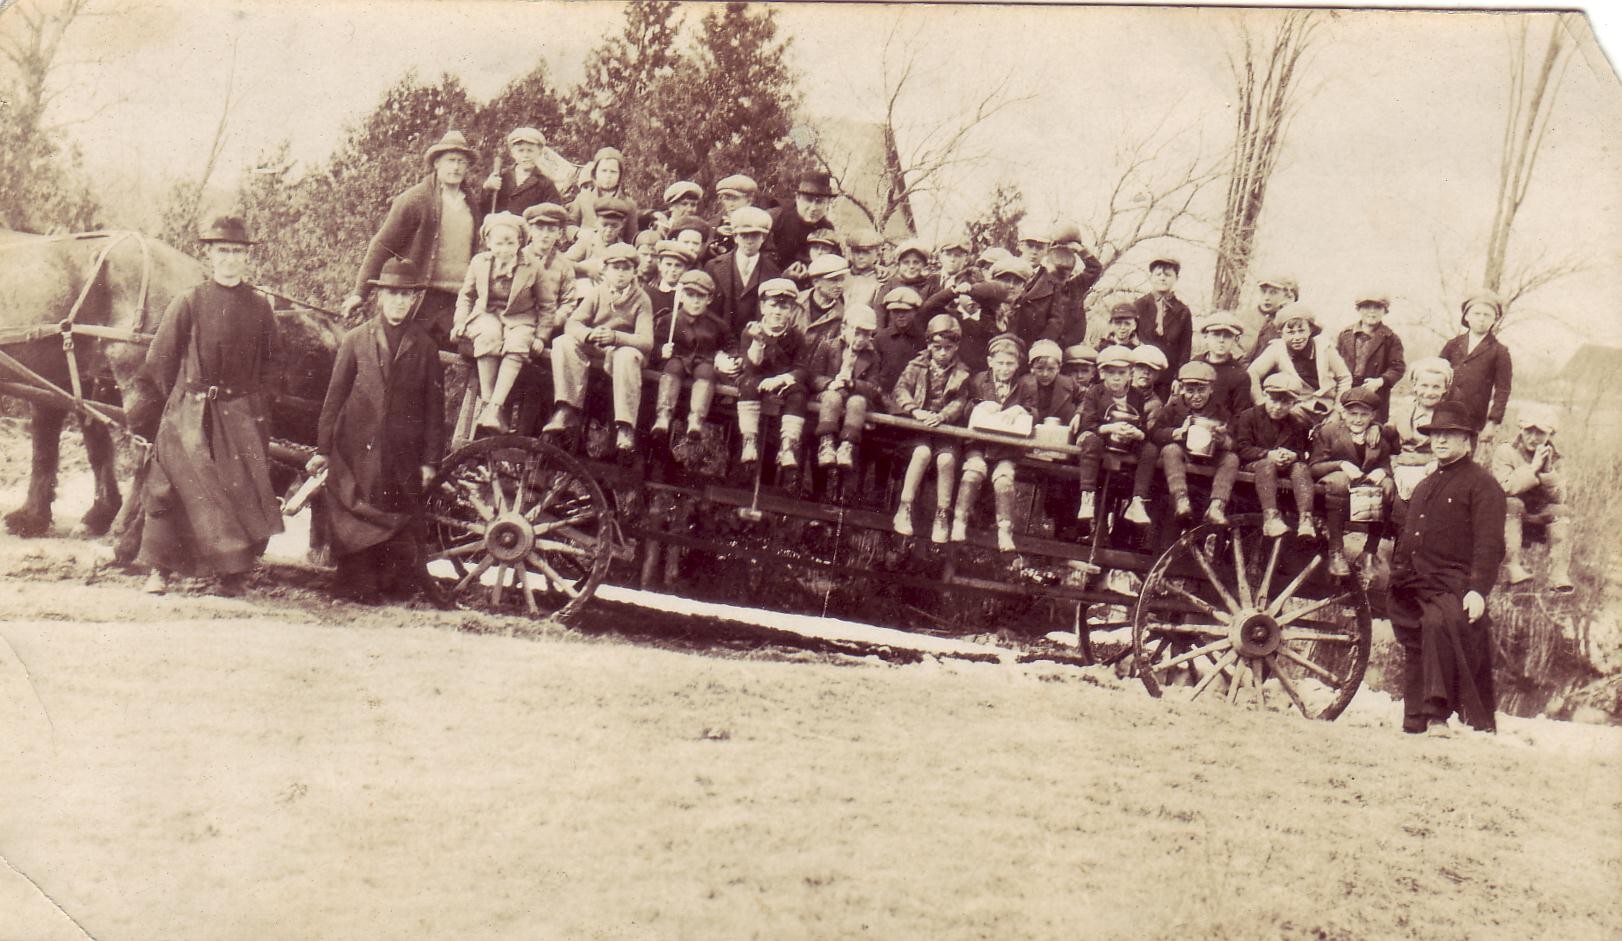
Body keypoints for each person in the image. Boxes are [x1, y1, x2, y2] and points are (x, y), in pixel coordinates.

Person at [130, 216, 283, 596]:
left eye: (237, 251)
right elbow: (159, 361)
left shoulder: (260, 306)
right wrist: (162, 413)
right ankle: (159, 572)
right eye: (223, 251)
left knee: (238, 491)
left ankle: (232, 576)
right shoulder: (189, 301)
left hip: (240, 415)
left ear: (246, 257)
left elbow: (274, 364)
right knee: (169, 487)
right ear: (210, 254)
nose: (230, 259)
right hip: (190, 412)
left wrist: (257, 405)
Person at [305, 258, 445, 606]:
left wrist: (430, 461)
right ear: (380, 296)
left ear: (414, 300)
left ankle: (388, 584)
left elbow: (434, 410)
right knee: (356, 511)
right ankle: (354, 584)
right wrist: (323, 449)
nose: (399, 301)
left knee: (392, 510)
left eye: (406, 296)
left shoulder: (424, 347)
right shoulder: (356, 340)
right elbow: (334, 396)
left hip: (402, 451)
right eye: (393, 294)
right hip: (357, 446)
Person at [1388, 399, 1507, 736]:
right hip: (1413, 582)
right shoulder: (1425, 485)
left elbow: (1490, 545)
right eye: (1435, 433)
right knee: (1414, 636)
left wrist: (1477, 590)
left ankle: (1437, 715)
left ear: (1467, 439)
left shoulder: (1482, 484)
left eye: (1449, 435)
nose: (1439, 440)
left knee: (1439, 623)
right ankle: (1414, 718)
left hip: (1453, 583)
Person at [343, 130, 481, 346]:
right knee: (411, 358)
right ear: (436, 163)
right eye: (450, 161)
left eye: (461, 162)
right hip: (422, 298)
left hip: (458, 300)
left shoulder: (471, 203)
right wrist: (359, 293)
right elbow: (382, 245)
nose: (456, 167)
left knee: (458, 357)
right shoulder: (415, 200)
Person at [544, 242, 652, 453]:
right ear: (605, 270)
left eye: (626, 268)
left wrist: (616, 337)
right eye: (615, 268)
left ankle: (625, 426)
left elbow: (646, 340)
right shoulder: (598, 292)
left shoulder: (642, 299)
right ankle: (567, 408)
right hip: (598, 346)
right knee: (563, 342)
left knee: (627, 357)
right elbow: (572, 323)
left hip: (623, 350)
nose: (620, 274)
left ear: (634, 271)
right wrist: (588, 334)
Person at [450, 212, 551, 433]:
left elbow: (546, 305)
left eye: (510, 243)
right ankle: (488, 406)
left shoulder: (532, 266)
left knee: (518, 342)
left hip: (520, 318)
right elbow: (466, 296)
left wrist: (541, 336)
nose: (504, 249)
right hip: (487, 313)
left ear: (520, 243)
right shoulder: (479, 262)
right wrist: (459, 322)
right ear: (488, 242)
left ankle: (496, 407)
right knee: (488, 335)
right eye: (499, 243)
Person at [891, 314, 970, 542]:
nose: (943, 353)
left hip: (945, 429)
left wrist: (944, 415)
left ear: (956, 346)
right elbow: (901, 389)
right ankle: (904, 507)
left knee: (946, 460)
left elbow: (960, 401)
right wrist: (915, 410)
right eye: (937, 347)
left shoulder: (962, 372)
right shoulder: (916, 366)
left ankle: (942, 514)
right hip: (919, 428)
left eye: (948, 347)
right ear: (929, 345)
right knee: (922, 452)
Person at [1309, 386, 1397, 576]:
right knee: (1341, 481)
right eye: (1352, 414)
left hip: (1363, 491)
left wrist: (1382, 472)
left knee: (1388, 487)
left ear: (1373, 415)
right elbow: (1314, 466)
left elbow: (1385, 462)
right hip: (1333, 488)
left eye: (1363, 415)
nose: (1357, 419)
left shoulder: (1377, 435)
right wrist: (1341, 464)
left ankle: (1369, 552)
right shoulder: (1329, 431)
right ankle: (1336, 551)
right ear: (1343, 413)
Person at [954, 333, 1030, 552]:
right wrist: (978, 405)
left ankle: (1004, 530)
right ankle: (959, 521)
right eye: (1000, 363)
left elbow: (1034, 411)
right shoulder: (978, 380)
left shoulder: (1024, 385)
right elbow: (964, 406)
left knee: (1004, 480)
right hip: (978, 443)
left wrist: (1021, 409)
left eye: (1010, 364)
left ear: (1018, 364)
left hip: (1006, 448)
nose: (1005, 368)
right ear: (990, 362)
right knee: (973, 471)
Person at [1074, 344, 1158, 527]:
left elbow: (1142, 425)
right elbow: (1088, 424)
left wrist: (1137, 433)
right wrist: (1111, 428)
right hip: (1102, 436)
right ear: (1102, 373)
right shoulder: (1095, 392)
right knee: (1091, 441)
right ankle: (1087, 496)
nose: (1116, 378)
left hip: (1126, 440)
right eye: (1111, 373)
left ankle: (1137, 501)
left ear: (1130, 374)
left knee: (1150, 450)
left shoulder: (1136, 395)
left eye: (1122, 373)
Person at [1492, 405, 1572, 591]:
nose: (1533, 438)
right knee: (1512, 503)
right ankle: (1513, 567)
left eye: (1540, 433)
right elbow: (1506, 487)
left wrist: (1548, 471)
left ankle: (1558, 575)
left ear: (1550, 435)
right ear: (1521, 429)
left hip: (1538, 516)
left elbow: (1560, 498)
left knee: (1562, 511)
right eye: (1529, 431)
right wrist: (1532, 468)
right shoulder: (1506, 451)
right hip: (1508, 516)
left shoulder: (1557, 457)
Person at [1152, 360, 1241, 527]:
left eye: (1202, 390)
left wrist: (1224, 441)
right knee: (1170, 449)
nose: (1196, 396)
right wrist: (1177, 433)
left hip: (1209, 458)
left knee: (1231, 459)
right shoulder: (1172, 408)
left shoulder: (1220, 411)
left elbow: (1235, 442)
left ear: (1211, 389)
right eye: (1190, 390)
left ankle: (1217, 506)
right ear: (1182, 389)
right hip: (1183, 457)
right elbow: (1155, 434)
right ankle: (1181, 499)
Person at [735, 278, 812, 471]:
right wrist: (758, 342)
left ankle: (788, 446)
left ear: (791, 310)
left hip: (783, 383)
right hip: (757, 380)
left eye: (784, 307)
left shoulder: (796, 336)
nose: (777, 312)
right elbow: (750, 366)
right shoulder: (751, 331)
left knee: (798, 394)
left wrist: (781, 379)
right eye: (773, 306)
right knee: (747, 383)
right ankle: (749, 440)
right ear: (762, 307)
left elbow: (802, 368)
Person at [1234, 373, 1316, 539]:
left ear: (1294, 403)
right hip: (1254, 466)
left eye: (1285, 402)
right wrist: (1267, 454)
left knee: (1301, 467)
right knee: (1266, 464)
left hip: (1284, 468)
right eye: (1274, 400)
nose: (1278, 407)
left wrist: (1293, 456)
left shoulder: (1296, 424)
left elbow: (1302, 452)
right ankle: (1271, 517)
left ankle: (1306, 519)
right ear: (1265, 395)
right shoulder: (1249, 416)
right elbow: (1241, 448)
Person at [651, 269, 728, 444]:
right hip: (677, 359)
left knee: (707, 372)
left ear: (709, 299)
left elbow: (730, 345)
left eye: (700, 297)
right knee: (673, 367)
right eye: (690, 295)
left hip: (703, 362)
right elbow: (653, 344)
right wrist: (661, 350)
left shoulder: (717, 324)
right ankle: (663, 415)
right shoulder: (669, 320)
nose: (695, 301)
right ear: (681, 295)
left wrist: (724, 356)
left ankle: (696, 420)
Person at [808, 303, 885, 470]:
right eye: (857, 333)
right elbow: (813, 376)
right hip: (829, 396)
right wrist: (830, 383)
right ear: (844, 328)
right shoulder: (828, 346)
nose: (860, 340)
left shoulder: (872, 356)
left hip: (853, 398)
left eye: (867, 335)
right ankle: (826, 443)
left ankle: (846, 446)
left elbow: (874, 387)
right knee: (832, 396)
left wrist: (852, 384)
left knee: (858, 402)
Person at [1247, 303, 1351, 424]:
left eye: (1301, 331)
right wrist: (1261, 402)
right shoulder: (1276, 348)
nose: (1297, 337)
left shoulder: (1324, 347)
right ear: (1281, 333)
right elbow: (1252, 373)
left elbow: (1344, 377)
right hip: (1295, 407)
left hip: (1327, 406)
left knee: (1331, 432)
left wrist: (1338, 409)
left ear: (1310, 330)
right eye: (1291, 332)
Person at [1007, 222, 1102, 348]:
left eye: (1039, 247)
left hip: (1057, 346)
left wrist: (1080, 250)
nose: (1034, 252)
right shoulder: (1018, 278)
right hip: (1023, 344)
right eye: (1030, 246)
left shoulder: (1065, 284)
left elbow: (1094, 269)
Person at [1440, 290, 1514, 451]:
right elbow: (1435, 375)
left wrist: (1493, 422)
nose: (1481, 318)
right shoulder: (1453, 345)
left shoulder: (1499, 351)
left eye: (1487, 315)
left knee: (1463, 460)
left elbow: (1503, 390)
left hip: (1472, 419)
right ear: (1467, 316)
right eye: (1477, 313)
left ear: (1495, 319)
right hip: (1444, 413)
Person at [705, 206, 782, 338]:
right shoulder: (713, 266)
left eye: (755, 235)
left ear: (763, 238)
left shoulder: (772, 271)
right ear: (735, 237)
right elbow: (707, 310)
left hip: (755, 341)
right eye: (744, 235)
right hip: (719, 340)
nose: (749, 241)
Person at [1335, 290, 1407, 422]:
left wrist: (1380, 381)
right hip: (1347, 389)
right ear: (1358, 309)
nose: (1372, 311)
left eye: (1378, 307)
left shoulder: (1391, 338)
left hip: (1374, 391)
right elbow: (1334, 364)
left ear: (1385, 311)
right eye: (1367, 307)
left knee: (1372, 428)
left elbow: (1397, 367)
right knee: (1342, 426)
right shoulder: (1345, 335)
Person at [1133, 256, 1192, 398]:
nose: (1162, 278)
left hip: (1167, 378)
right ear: (1151, 277)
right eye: (1158, 274)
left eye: (1168, 275)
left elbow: (1185, 348)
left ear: (1176, 278)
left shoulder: (1183, 311)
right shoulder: (1139, 305)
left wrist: (1179, 378)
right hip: (1141, 375)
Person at [481, 127, 563, 222]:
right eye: (520, 150)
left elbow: (555, 214)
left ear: (539, 153)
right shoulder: (502, 177)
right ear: (513, 153)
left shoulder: (545, 183)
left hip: (530, 233)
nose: (525, 155)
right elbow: (484, 209)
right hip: (503, 231)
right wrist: (487, 188)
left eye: (530, 150)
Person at [768, 170, 838, 279]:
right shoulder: (775, 218)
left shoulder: (827, 229)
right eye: (808, 200)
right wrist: (781, 276)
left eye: (819, 202)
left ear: (827, 203)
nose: (813, 208)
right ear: (797, 198)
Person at [566, 146, 637, 243]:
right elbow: (569, 224)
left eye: (613, 172)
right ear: (595, 173)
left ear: (620, 175)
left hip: (615, 253)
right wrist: (578, 233)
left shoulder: (629, 204)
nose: (608, 176)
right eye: (603, 171)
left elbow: (631, 238)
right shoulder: (583, 199)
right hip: (585, 250)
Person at [1197, 313, 1251, 418]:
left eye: (1227, 336)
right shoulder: (1195, 363)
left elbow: (1240, 416)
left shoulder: (1240, 375)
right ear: (1205, 337)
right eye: (1216, 335)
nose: (1221, 340)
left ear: (1236, 340)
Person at [874, 285, 925, 396]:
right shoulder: (880, 338)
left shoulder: (923, 339)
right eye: (896, 311)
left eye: (905, 311)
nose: (900, 316)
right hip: (884, 395)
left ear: (915, 311)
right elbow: (874, 370)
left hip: (912, 396)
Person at [1243, 273, 1299, 362]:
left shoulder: (1296, 324)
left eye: (1273, 292)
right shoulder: (1245, 318)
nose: (1266, 297)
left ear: (1289, 297)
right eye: (1263, 291)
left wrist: (1286, 312)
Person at [800, 253, 850, 347]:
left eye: (842, 280)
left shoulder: (843, 315)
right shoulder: (796, 302)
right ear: (816, 282)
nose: (840, 285)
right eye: (834, 280)